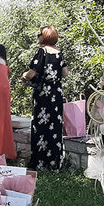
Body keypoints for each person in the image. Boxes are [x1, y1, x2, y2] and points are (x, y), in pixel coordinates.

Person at [21, 26, 68, 170]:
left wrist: (24, 76)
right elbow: (65, 73)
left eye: (40, 34)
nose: (38, 36)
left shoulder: (43, 52)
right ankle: (54, 163)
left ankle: (39, 163)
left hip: (43, 95)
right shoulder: (59, 53)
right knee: (55, 127)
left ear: (45, 37)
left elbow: (31, 73)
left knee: (40, 127)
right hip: (56, 93)